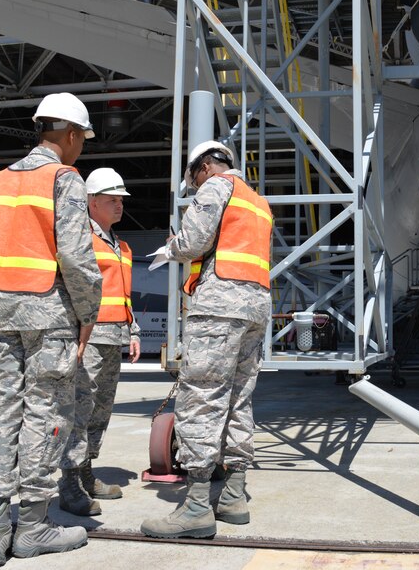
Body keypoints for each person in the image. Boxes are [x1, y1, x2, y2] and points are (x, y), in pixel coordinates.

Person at [0, 92, 103, 567]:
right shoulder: (64, 178)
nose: (81, 147)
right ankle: (33, 527)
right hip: (48, 312)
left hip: (1, 312)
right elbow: (76, 255)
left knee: (4, 411)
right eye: (81, 139)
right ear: (69, 135)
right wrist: (90, 311)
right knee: (46, 412)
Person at [141, 140, 272, 539]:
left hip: (218, 307)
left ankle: (197, 505)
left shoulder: (215, 187)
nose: (195, 186)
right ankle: (233, 497)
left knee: (201, 398)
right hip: (255, 307)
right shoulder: (259, 203)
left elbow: (194, 242)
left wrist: (170, 249)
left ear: (204, 168)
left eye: (192, 179)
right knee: (237, 398)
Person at [58, 167, 141, 516]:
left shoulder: (122, 246)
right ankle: (69, 480)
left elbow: (123, 294)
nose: (119, 205)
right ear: (92, 202)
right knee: (79, 408)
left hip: (114, 336)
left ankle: (86, 470)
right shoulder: (81, 239)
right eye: (112, 199)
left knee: (100, 410)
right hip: (88, 338)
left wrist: (133, 330)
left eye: (121, 199)